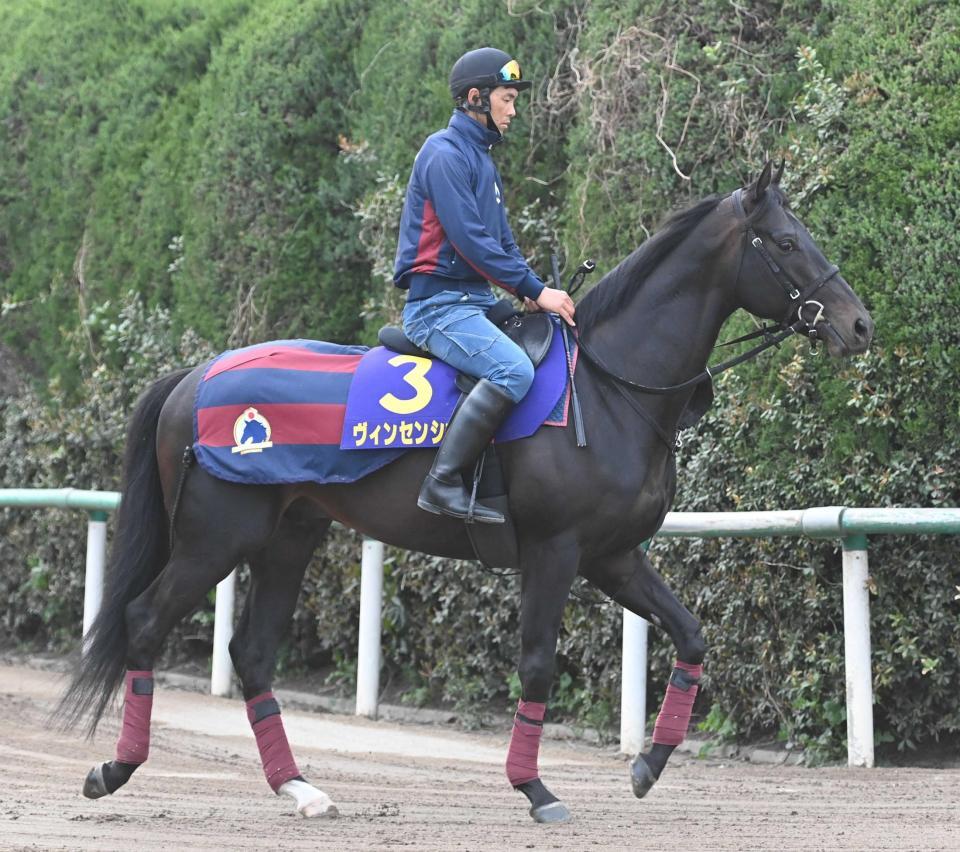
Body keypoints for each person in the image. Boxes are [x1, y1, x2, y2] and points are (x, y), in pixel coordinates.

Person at [393, 47, 576, 524]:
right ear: (476, 98)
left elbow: (504, 244)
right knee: (514, 371)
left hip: (475, 302)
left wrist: (534, 293)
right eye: (507, 98)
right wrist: (536, 290)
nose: (513, 111)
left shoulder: (481, 161)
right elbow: (471, 242)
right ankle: (443, 482)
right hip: (438, 309)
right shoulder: (443, 155)